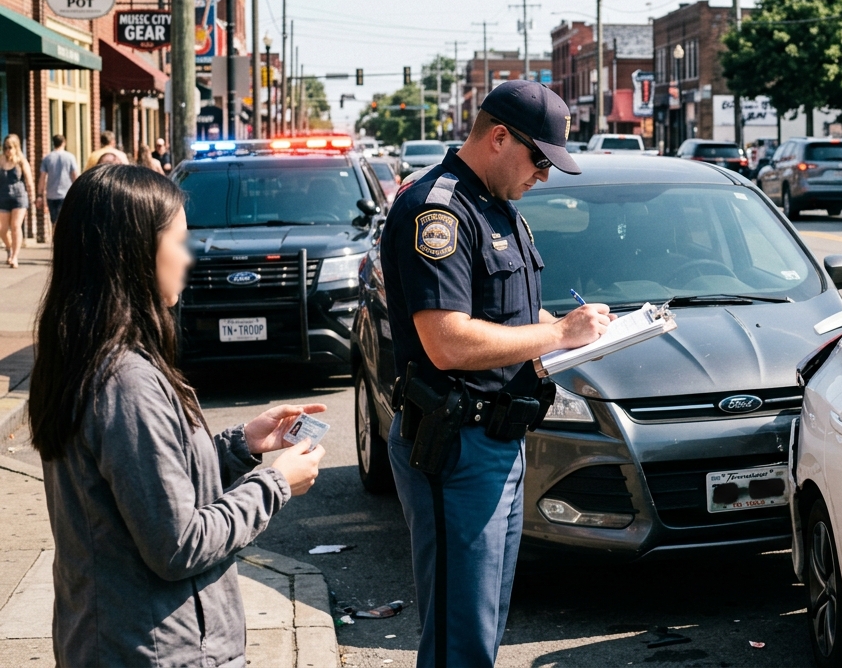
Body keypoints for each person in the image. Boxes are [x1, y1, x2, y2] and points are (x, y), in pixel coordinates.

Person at [28, 165, 327, 667]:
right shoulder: (125, 381)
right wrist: (275, 484)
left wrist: (242, 445)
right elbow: (178, 544)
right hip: (156, 649)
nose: (189, 257)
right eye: (180, 241)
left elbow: (145, 483)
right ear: (133, 253)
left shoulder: (87, 356)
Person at [381, 80, 611, 668]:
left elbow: (510, 317)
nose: (544, 176)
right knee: (460, 640)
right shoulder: (438, 210)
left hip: (500, 439)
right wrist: (559, 335)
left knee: (482, 628)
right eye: (540, 160)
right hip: (455, 445)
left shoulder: (497, 205)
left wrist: (577, 331)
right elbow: (447, 341)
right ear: (500, 137)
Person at [0, 134, 33, 268]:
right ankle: (9, 247)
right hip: (3, 197)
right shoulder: (1, 160)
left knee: (15, 226)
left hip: (19, 198)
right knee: (2, 229)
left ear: (16, 147)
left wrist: (32, 198)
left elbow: (29, 181)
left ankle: (14, 256)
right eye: (5, 147)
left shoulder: (21, 162)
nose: (7, 150)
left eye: (10, 147)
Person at [39, 134, 79, 225]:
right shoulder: (70, 157)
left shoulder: (47, 158)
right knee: (65, 220)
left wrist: (40, 194)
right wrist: (77, 189)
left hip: (51, 194)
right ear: (64, 143)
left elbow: (42, 177)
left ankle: (55, 234)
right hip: (66, 193)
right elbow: (74, 175)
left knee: (54, 221)